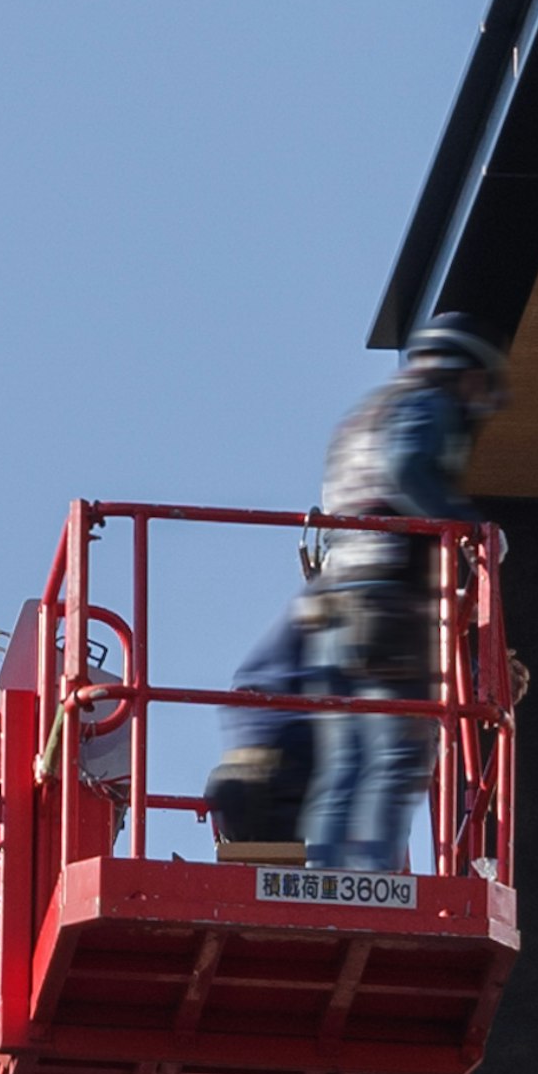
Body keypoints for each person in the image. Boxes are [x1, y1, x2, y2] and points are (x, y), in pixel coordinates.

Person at [210, 321, 511, 875]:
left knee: (347, 756)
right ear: (463, 373)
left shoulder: (367, 416)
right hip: (387, 600)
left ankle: (329, 879)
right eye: (480, 388)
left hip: (341, 602)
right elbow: (407, 471)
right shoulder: (429, 405)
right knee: (396, 755)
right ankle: (367, 881)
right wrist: (471, 532)